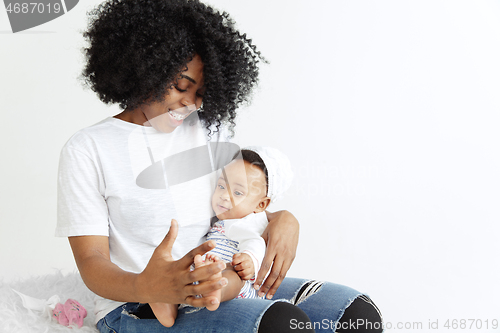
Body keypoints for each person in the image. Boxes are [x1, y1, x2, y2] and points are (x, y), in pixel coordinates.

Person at [56, 0, 384, 332]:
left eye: (202, 93)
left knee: (357, 316)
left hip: (223, 282)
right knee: (280, 325)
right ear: (144, 68)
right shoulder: (88, 148)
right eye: (182, 86)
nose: (191, 102)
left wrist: (281, 219)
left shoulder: (206, 130)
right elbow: (91, 263)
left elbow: (233, 203)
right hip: (136, 302)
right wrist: (148, 285)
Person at [150, 146, 294, 327]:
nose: (224, 196)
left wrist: (249, 260)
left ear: (261, 205)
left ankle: (216, 290)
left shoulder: (253, 221)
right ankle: (166, 303)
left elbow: (255, 242)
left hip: (238, 287)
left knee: (232, 276)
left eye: (238, 193)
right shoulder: (222, 219)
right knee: (183, 274)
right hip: (207, 272)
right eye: (221, 186)